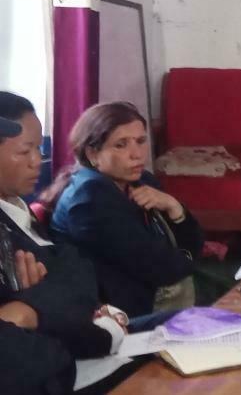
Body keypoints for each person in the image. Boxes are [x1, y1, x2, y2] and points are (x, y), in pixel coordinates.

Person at [0, 102, 129, 394]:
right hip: (68, 359)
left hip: (87, 331)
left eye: (38, 149)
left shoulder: (16, 207)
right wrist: (104, 333)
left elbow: (79, 273)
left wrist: (28, 309)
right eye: (25, 151)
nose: (37, 161)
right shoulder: (90, 194)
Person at [46, 101, 204, 317]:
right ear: (92, 154)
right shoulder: (89, 199)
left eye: (141, 141)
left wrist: (173, 206)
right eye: (121, 145)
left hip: (153, 294)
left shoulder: (141, 181)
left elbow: (193, 245)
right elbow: (161, 269)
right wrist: (188, 258)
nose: (136, 154)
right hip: (118, 315)